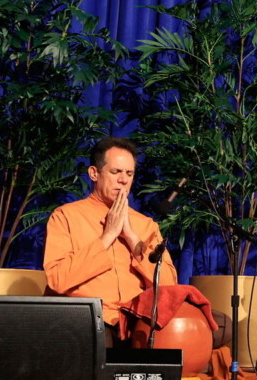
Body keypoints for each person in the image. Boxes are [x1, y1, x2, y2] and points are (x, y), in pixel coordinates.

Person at [44, 137, 178, 333]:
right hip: (86, 321)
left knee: (214, 325)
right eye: (116, 172)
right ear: (94, 173)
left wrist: (131, 237)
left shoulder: (145, 224)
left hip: (134, 321)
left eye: (129, 173)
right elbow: (57, 280)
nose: (123, 179)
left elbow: (168, 286)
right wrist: (107, 237)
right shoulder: (66, 216)